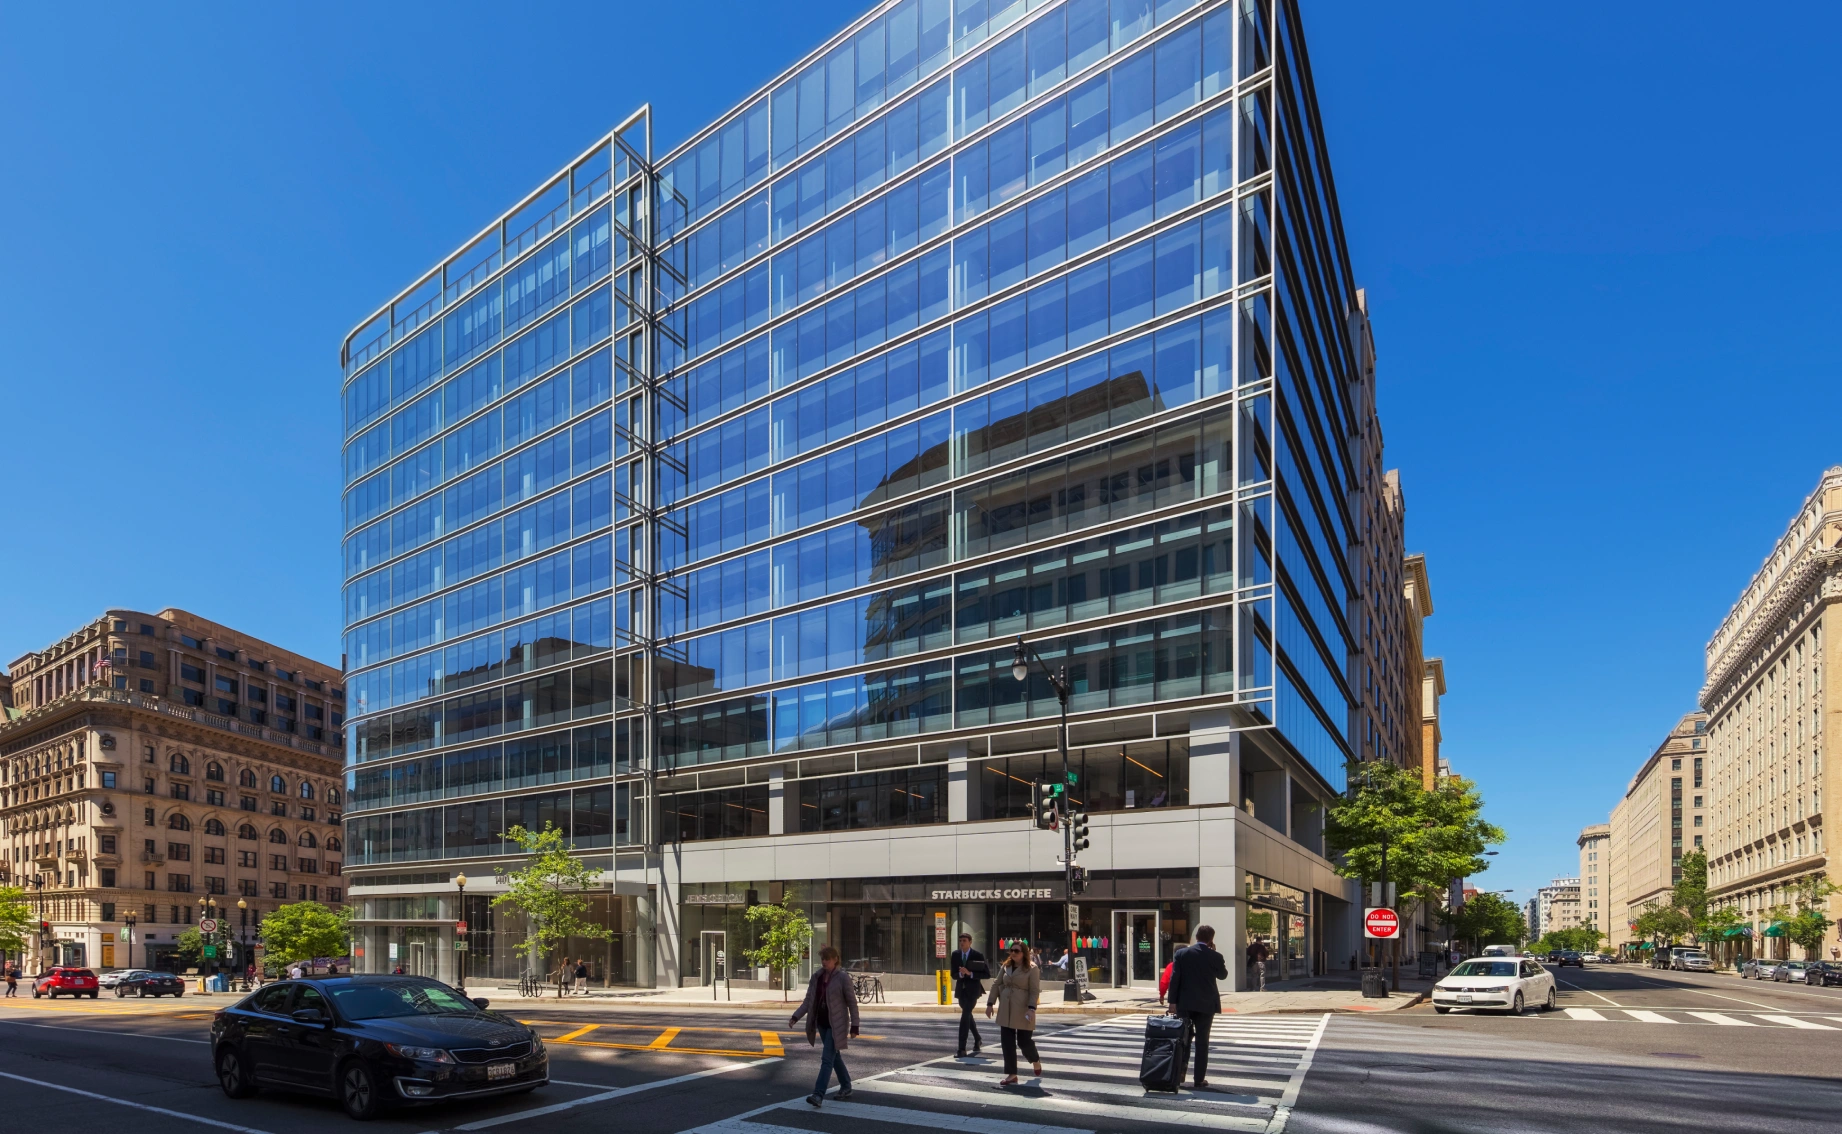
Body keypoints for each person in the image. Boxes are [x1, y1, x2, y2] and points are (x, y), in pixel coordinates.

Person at [791, 945, 859, 1108]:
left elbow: (852, 1003)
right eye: (822, 959)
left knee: (827, 1058)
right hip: (821, 1023)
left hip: (837, 1024)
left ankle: (818, 1094)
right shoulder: (817, 977)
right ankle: (846, 1086)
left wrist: (855, 1025)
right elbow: (808, 1000)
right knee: (834, 1056)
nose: (824, 962)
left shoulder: (843, 978)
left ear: (835, 960)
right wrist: (796, 1016)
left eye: (827, 959)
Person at [1166, 924, 1229, 1090]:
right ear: (1211, 939)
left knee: (1183, 1039)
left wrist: (1172, 1002)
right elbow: (1222, 975)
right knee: (1202, 1042)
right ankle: (1199, 1079)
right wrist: (1214, 952)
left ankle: (1180, 1072)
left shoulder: (1181, 954)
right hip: (1206, 1004)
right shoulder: (1215, 956)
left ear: (1196, 937)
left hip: (1185, 1003)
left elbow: (1175, 979)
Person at [985, 942, 1042, 1086]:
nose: (1013, 953)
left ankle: (1035, 1060)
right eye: (1011, 950)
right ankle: (1012, 1074)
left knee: (1024, 1041)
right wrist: (990, 1004)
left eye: (1017, 950)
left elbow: (1034, 990)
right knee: (1007, 1043)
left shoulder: (1032, 969)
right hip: (1006, 1007)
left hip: (1023, 1008)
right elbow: (996, 984)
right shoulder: (1006, 966)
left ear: (1024, 953)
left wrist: (1031, 1008)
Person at [948, 933, 989, 1058]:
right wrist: (960, 974)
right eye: (960, 940)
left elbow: (986, 974)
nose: (962, 943)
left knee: (965, 1016)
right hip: (961, 991)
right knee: (968, 1016)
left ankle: (961, 1048)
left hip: (973, 991)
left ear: (970, 942)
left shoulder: (977, 955)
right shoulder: (955, 955)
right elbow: (953, 974)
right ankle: (977, 1038)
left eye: (964, 940)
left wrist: (970, 973)